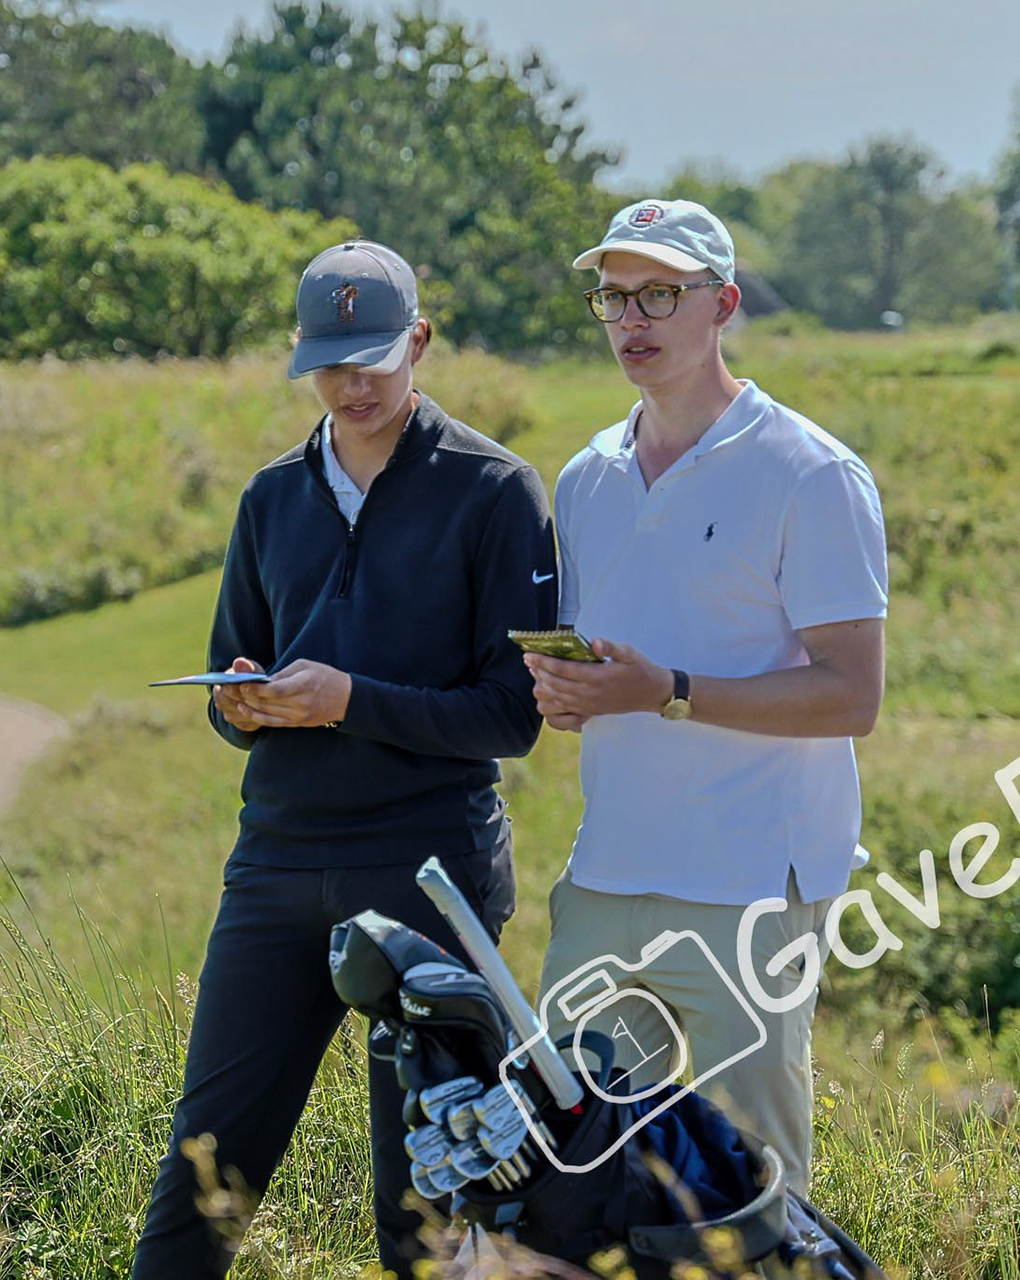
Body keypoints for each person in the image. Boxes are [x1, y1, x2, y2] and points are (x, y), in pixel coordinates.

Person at [131, 239, 559, 1278]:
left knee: (421, 1196)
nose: (352, 384)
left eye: (373, 358)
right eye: (329, 363)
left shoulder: (496, 490)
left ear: (419, 339)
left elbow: (513, 713)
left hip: (429, 870)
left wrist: (350, 700)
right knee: (205, 1167)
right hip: (277, 861)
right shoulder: (271, 497)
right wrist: (241, 703)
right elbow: (229, 695)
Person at [524, 200, 888, 1193]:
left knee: (751, 1179)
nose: (631, 319)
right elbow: (617, 666)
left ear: (722, 303)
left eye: (660, 294)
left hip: (751, 886)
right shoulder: (586, 478)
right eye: (612, 296)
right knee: (572, 1158)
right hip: (609, 871)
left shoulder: (811, 473)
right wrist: (573, 692)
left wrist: (668, 692)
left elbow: (852, 695)